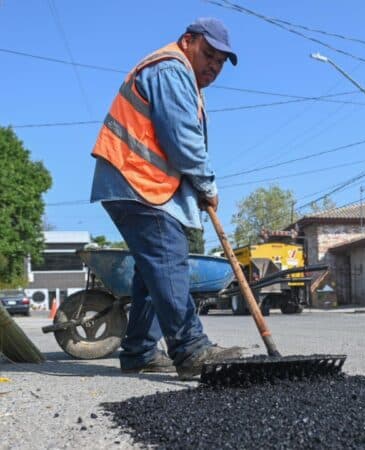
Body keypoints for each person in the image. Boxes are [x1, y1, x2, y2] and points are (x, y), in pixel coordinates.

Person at [90, 17, 244, 378]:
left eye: (221, 62)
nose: (214, 66)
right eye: (210, 55)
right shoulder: (171, 70)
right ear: (187, 41)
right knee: (168, 259)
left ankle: (139, 351)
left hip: (142, 184)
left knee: (151, 269)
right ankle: (191, 349)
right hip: (135, 180)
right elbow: (182, 138)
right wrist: (208, 185)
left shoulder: (183, 77)